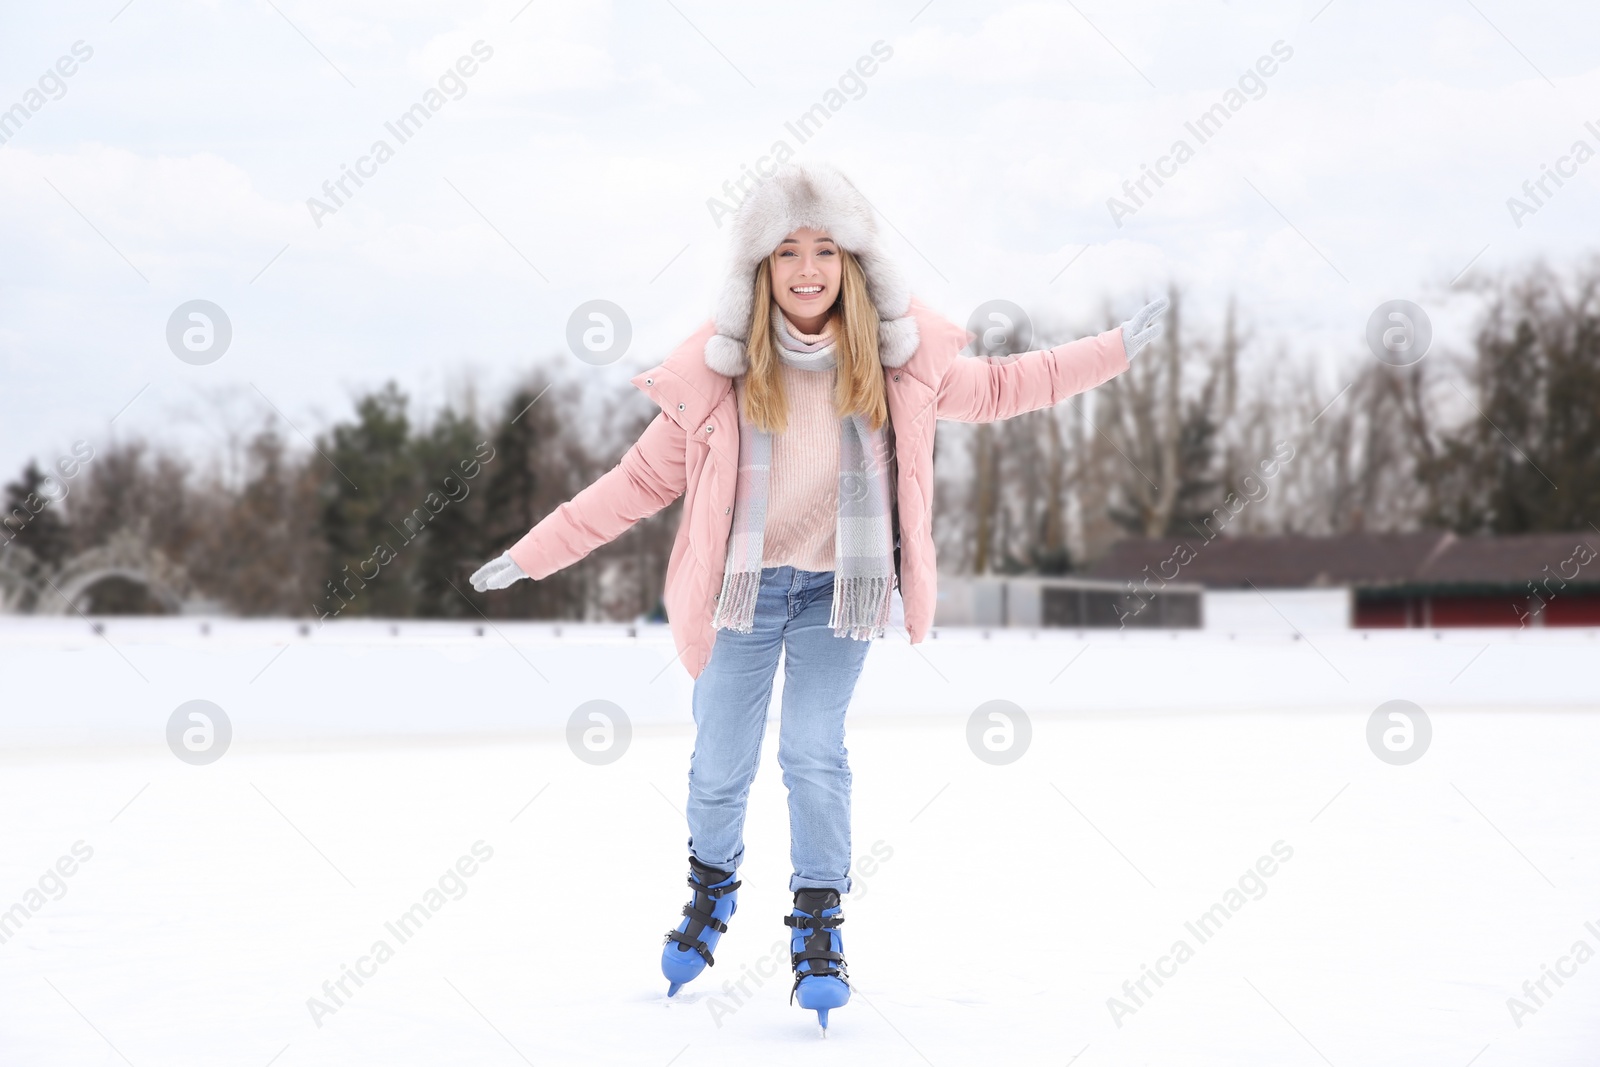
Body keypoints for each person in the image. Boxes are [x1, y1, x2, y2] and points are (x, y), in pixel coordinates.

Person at [471, 162, 1167, 1030]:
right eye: (788, 251)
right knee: (719, 762)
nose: (808, 268)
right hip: (742, 596)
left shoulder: (898, 363)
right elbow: (630, 485)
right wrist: (528, 555)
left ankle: (818, 920)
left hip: (843, 590)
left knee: (812, 750)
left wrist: (1115, 351)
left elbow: (1006, 386)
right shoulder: (718, 380)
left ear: (852, 262)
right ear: (759, 270)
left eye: (826, 249)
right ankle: (712, 889)